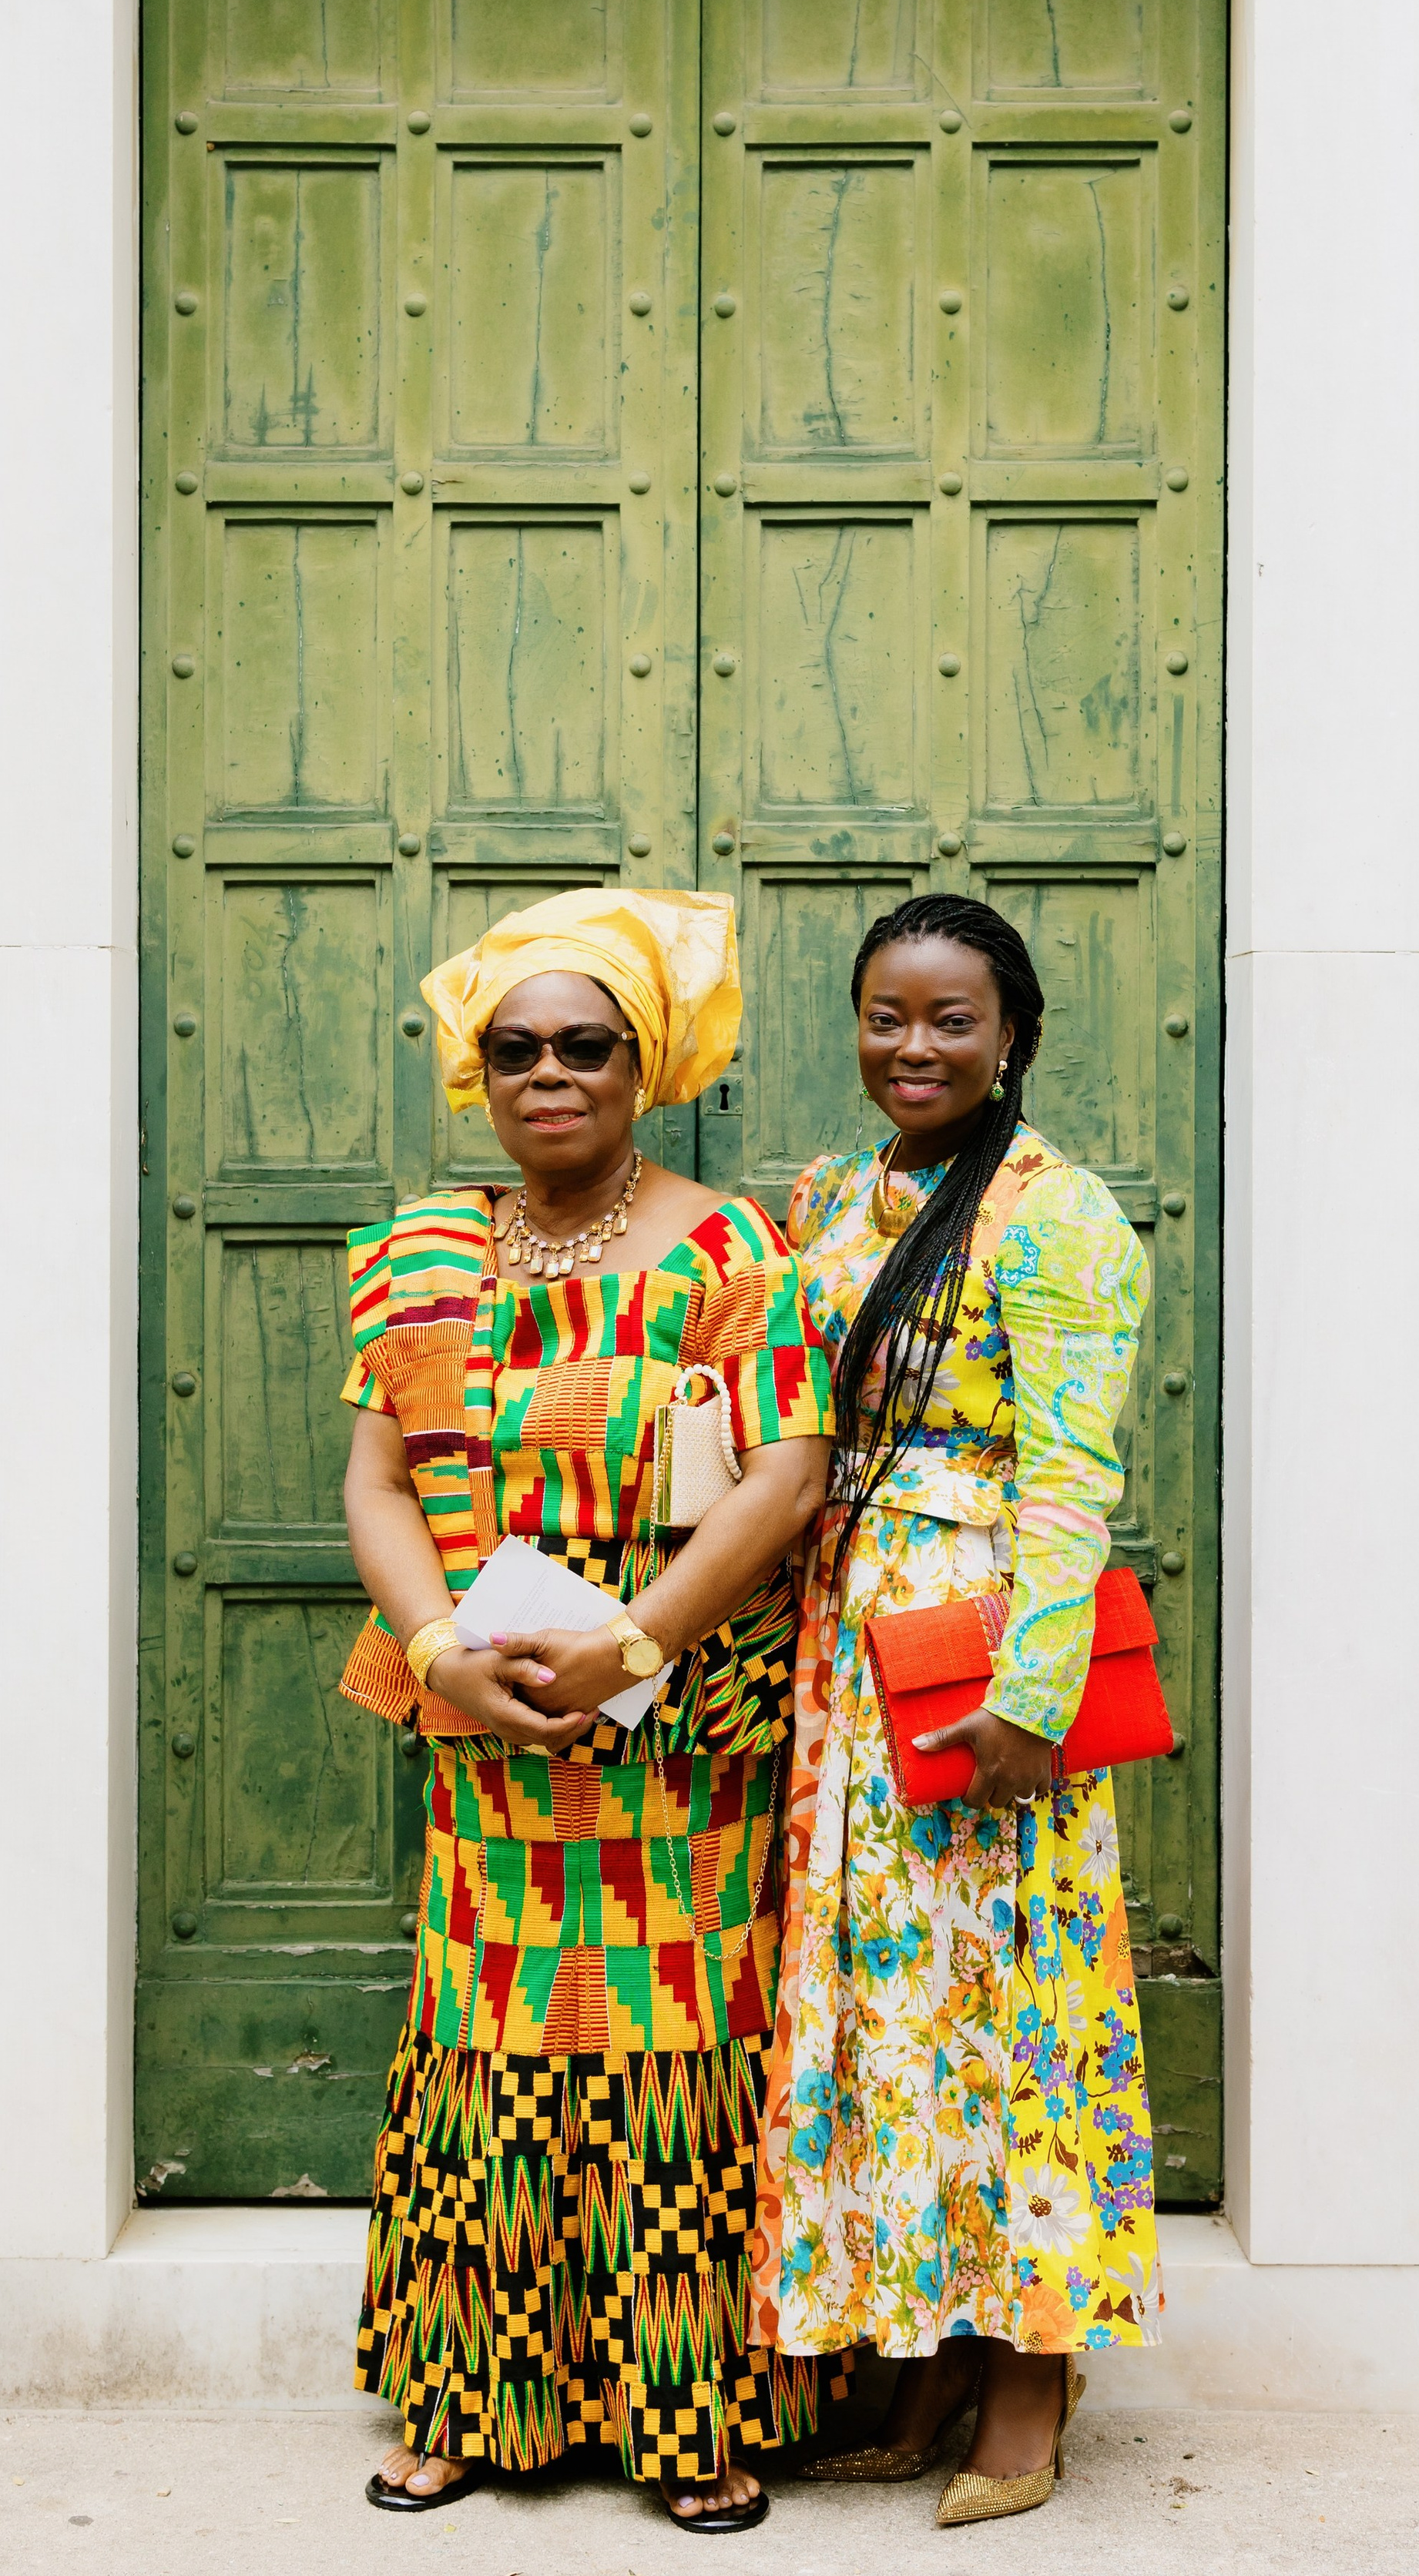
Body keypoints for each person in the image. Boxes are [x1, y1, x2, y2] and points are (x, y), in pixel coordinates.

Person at [337, 887, 835, 2531]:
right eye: (515, 1049)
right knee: (487, 2047)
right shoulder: (414, 1253)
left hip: (674, 1730)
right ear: (476, 1071)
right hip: (485, 1726)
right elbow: (379, 1482)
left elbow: (786, 1475)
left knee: (673, 2047)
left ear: (646, 1065)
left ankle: (689, 2413)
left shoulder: (728, 1250)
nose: (548, 1072)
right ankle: (472, 2404)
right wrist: (435, 1655)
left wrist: (634, 1643)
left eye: (586, 1046)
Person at [753, 893, 1159, 2527]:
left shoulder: (1059, 1217)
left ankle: (1032, 2378)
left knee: (1014, 2008)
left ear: (1014, 1038)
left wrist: (1029, 1698)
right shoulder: (829, 1198)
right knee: (890, 2012)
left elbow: (1070, 1480)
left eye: (950, 1020)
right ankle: (917, 2352)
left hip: (975, 1658)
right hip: (843, 1649)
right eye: (885, 1016)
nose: (911, 1046)